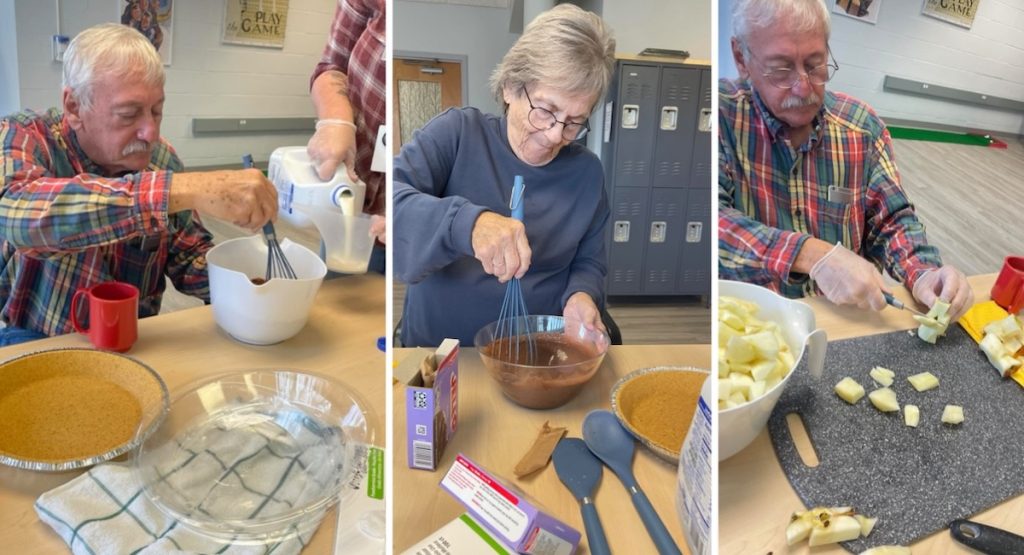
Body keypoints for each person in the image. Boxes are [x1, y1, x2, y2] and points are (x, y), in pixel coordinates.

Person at [0, 23, 278, 344]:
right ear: (74, 107)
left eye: (157, 111)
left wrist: (252, 283)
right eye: (129, 114)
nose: (151, 133)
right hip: (39, 335)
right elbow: (18, 213)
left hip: (131, 335)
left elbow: (188, 256)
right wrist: (174, 191)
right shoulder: (25, 136)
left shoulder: (162, 160)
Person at [718, 0, 973, 321]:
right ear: (742, 59)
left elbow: (891, 221)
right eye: (781, 69)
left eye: (815, 64)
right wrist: (811, 255)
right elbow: (710, 224)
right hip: (753, 324)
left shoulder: (862, 128)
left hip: (848, 325)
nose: (803, 86)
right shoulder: (720, 116)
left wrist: (923, 272)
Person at [393, 4, 615, 347]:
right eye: (546, 111)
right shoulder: (456, 135)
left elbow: (589, 261)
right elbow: (391, 206)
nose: (556, 136)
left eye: (574, 122)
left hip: (537, 354)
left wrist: (581, 296)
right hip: (439, 352)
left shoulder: (587, 173)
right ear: (511, 87)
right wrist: (468, 224)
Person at [307, 0, 386, 271]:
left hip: (400, 216)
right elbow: (331, 65)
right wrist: (336, 120)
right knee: (338, 293)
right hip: (355, 197)